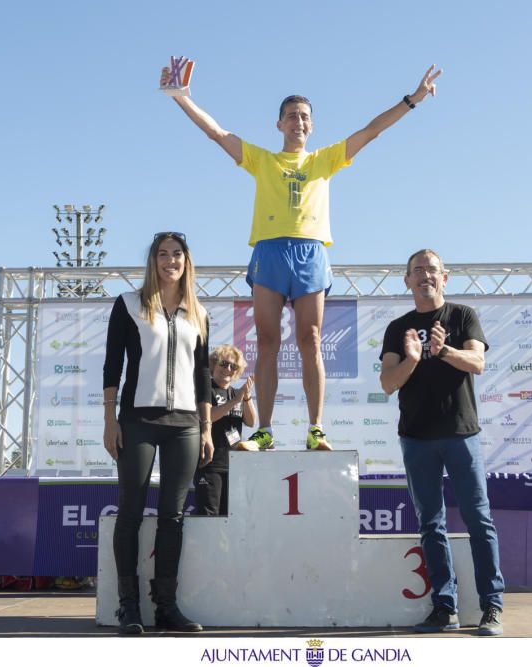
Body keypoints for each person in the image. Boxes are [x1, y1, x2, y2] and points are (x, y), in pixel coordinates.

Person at [162, 63, 443, 452]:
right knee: (267, 341)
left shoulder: (324, 160)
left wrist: (412, 100)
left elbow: (371, 130)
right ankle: (265, 431)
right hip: (270, 251)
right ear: (279, 124)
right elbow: (217, 133)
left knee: (310, 339)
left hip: (310, 252)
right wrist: (182, 98)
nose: (298, 121)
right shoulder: (263, 160)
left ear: (312, 126)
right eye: (291, 115)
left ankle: (316, 428)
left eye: (305, 116)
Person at [378, 249, 505, 636]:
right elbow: (387, 382)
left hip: (461, 434)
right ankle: (443, 608)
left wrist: (444, 350)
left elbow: (478, 363)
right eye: (417, 271)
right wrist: (414, 359)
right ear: (407, 281)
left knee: (479, 520)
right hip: (416, 438)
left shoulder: (462, 315)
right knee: (431, 524)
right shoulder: (397, 328)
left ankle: (492, 606)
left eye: (431, 270)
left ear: (444, 278)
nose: (425, 276)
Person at [102, 231, 213, 634]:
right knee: (130, 512)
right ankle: (128, 607)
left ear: (186, 261)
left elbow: (203, 376)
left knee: (173, 516)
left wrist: (206, 427)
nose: (170, 261)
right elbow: (113, 365)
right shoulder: (129, 305)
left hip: (185, 424)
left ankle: (166, 607)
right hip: (137, 421)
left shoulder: (198, 312)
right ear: (153, 261)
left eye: (177, 255)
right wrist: (109, 419)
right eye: (163, 254)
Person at [194, 344, 256, 516]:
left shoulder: (237, 393)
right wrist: (235, 401)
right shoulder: (206, 390)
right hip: (210, 465)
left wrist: (246, 397)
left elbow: (251, 421)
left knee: (231, 516)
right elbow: (208, 416)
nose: (228, 369)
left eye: (233, 366)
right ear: (213, 364)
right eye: (223, 364)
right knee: (209, 516)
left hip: (234, 466)